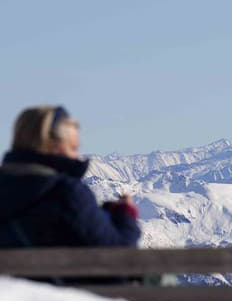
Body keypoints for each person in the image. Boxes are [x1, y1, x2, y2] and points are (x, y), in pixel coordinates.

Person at [0, 105, 140, 248]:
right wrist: (126, 214)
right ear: (53, 146)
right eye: (73, 148)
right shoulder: (67, 194)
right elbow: (119, 252)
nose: (78, 157)